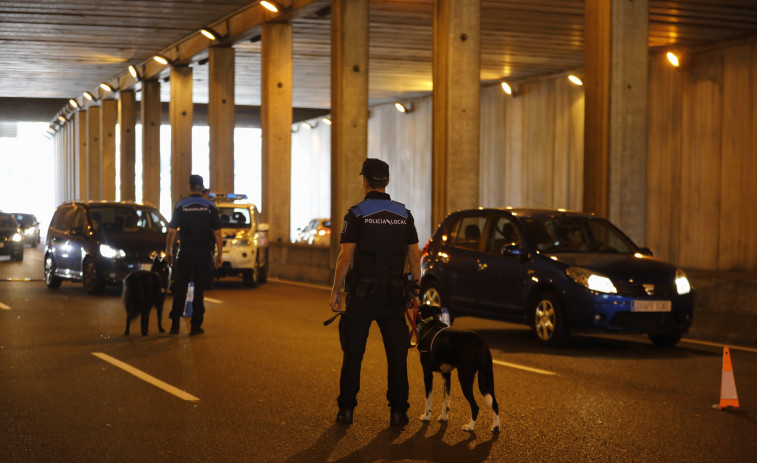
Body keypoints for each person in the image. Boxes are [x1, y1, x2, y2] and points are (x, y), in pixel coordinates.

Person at [329, 158, 422, 427]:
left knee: (353, 355)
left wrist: (336, 291)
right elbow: (415, 260)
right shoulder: (404, 214)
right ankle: (398, 412)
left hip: (362, 294)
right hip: (395, 296)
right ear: (388, 182)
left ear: (365, 182)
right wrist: (414, 294)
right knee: (397, 356)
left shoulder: (356, 214)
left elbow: (345, 257)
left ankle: (346, 411)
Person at [165, 174, 223, 335]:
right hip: (204, 253)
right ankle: (196, 325)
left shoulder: (180, 205)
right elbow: (218, 234)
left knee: (180, 287)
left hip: (186, 252)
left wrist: (168, 251)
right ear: (202, 187)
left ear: (189, 187)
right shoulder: (210, 206)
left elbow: (171, 232)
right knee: (199, 290)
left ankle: (175, 325)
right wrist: (220, 254)